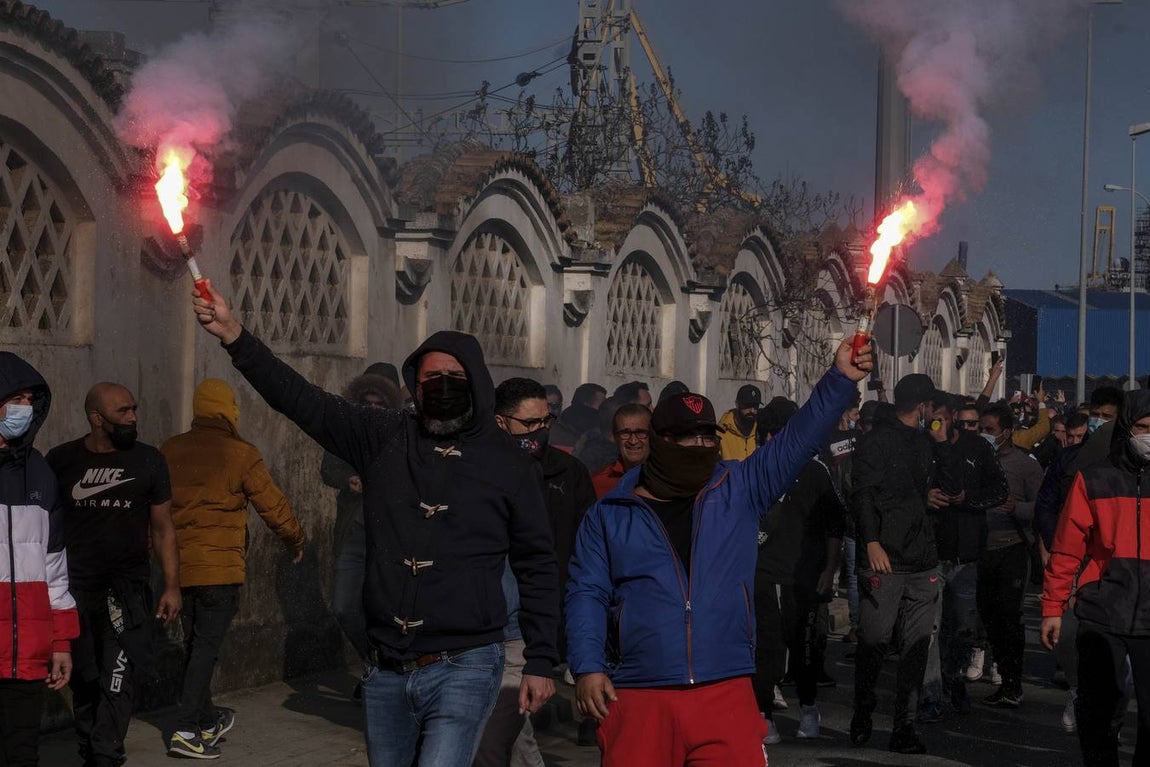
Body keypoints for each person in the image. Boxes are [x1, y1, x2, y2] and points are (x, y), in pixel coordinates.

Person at [191, 284, 558, 767]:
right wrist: (235, 335)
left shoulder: (509, 462)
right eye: (432, 377)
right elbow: (302, 400)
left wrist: (542, 660)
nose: (443, 385)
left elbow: (537, 564)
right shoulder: (383, 435)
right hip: (387, 666)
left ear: (477, 383)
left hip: (467, 662)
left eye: (454, 376)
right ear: (415, 384)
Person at [566, 337, 871, 766]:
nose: (698, 447)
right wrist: (587, 666)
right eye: (684, 438)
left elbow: (798, 439)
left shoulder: (740, 489)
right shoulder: (610, 513)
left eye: (707, 437)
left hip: (725, 691)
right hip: (637, 695)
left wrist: (840, 379)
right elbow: (587, 593)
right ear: (658, 440)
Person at [161, 378, 307, 759]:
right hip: (220, 572)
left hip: (179, 571)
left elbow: (154, 514)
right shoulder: (240, 453)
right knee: (206, 649)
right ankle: (185, 728)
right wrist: (295, 540)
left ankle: (208, 719)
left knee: (196, 647)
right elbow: (273, 505)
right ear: (229, 411)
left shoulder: (169, 450)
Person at [47, 383, 181, 767]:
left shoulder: (149, 461)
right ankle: (92, 745)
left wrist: (171, 585)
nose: (133, 417)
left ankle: (105, 754)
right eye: (123, 411)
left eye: (134, 409)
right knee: (85, 678)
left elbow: (163, 528)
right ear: (96, 419)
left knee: (117, 674)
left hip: (125, 591)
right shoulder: (61, 460)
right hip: (73, 591)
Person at [477, 377, 596, 767]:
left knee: (504, 732)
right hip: (494, 617)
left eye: (546, 421)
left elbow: (584, 547)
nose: (541, 431)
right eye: (529, 424)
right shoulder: (478, 472)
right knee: (505, 735)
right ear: (499, 423)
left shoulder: (569, 473)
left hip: (543, 613)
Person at [1041, 390, 1150, 767]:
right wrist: (1053, 607)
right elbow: (1067, 549)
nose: (1149, 435)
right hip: (1103, 611)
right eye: (1143, 427)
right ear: (1126, 428)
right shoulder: (1095, 479)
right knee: (1098, 715)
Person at [850, 373, 956, 755]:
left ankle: (904, 727)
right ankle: (863, 709)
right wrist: (872, 542)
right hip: (885, 558)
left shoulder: (928, 442)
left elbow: (949, 484)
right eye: (934, 408)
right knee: (876, 639)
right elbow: (862, 495)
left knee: (915, 647)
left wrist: (943, 445)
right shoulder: (875, 441)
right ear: (924, 407)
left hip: (923, 559)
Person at [751, 398, 844, 744]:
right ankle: (766, 716)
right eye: (768, 434)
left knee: (804, 646)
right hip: (764, 573)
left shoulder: (815, 471)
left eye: (779, 433)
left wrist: (830, 569)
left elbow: (835, 524)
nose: (772, 441)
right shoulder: (755, 468)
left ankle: (808, 708)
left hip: (805, 574)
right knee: (767, 648)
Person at [0, 354, 78, 767]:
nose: (23, 409)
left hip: (24, 652)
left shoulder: (40, 473)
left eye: (29, 400)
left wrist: (61, 642)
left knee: (22, 754)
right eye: (15, 398)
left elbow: (55, 569)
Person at [917, 395, 1008, 723]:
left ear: (953, 417)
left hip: (967, 553)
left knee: (962, 628)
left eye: (939, 417)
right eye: (930, 418)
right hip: (932, 553)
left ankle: (954, 678)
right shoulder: (923, 446)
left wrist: (969, 499)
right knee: (930, 627)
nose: (934, 424)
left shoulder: (978, 448)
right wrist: (924, 496)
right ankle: (930, 692)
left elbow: (999, 490)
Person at [321, 368, 402, 673]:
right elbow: (328, 469)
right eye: (366, 402)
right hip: (353, 534)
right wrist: (349, 479)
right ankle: (375, 664)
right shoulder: (346, 431)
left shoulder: (404, 434)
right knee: (344, 607)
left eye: (379, 403)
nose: (372, 409)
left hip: (391, 539)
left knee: (385, 612)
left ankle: (383, 675)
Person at [977, 403, 1043, 709]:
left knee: (1008, 616)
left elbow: (1041, 507)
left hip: (1013, 547)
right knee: (988, 616)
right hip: (980, 550)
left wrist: (1016, 508)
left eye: (990, 430)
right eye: (981, 429)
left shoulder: (1025, 465)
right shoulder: (974, 460)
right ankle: (1001, 674)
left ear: (1007, 432)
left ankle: (1012, 682)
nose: (984, 435)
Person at [590, 404, 652, 498]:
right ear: (615, 437)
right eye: (625, 433)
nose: (633, 441)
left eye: (640, 432)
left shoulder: (667, 479)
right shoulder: (597, 482)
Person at [551, 383, 605, 453]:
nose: (605, 407)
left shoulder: (566, 414)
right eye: (602, 403)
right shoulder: (593, 420)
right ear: (587, 403)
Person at [719, 384, 763, 461]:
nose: (752, 410)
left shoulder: (761, 431)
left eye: (755, 406)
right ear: (737, 404)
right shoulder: (721, 433)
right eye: (747, 405)